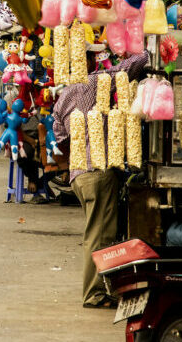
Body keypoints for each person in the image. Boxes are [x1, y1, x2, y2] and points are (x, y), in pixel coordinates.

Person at [52, 49, 149, 308]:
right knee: (99, 236)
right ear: (87, 62)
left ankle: (104, 289)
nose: (96, 62)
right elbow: (130, 66)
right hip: (97, 172)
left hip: (78, 175)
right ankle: (94, 294)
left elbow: (60, 138)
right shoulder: (95, 82)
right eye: (92, 59)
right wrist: (153, 48)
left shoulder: (62, 97)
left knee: (97, 232)